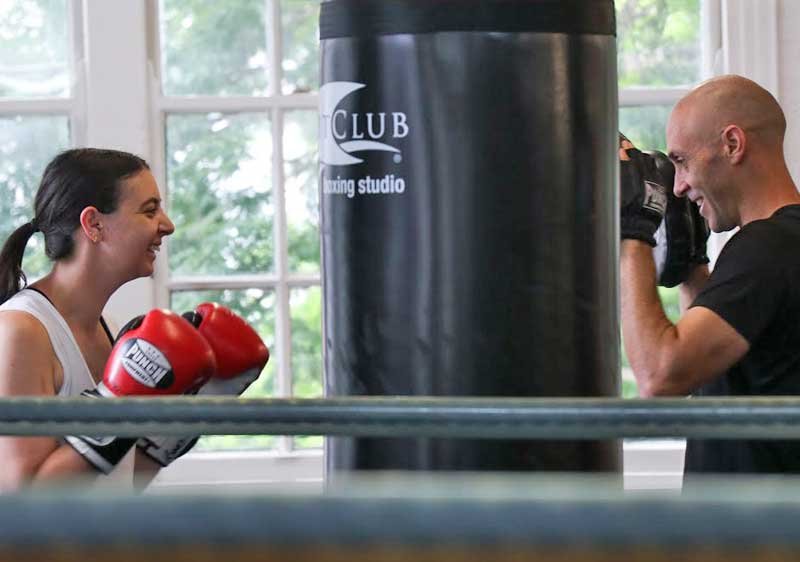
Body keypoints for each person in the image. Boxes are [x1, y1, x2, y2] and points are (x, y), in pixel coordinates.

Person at [0, 148, 270, 491]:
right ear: (94, 224)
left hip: (104, 543)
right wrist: (117, 401)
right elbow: (19, 501)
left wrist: (196, 405)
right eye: (149, 210)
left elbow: (121, 481)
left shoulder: (113, 329)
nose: (168, 225)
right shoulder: (21, 331)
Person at [620, 74, 800, 474]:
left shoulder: (766, 248)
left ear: (732, 144)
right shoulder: (783, 243)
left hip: (758, 530)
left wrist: (633, 228)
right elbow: (715, 362)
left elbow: (658, 377)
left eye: (681, 161)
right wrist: (692, 261)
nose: (679, 187)